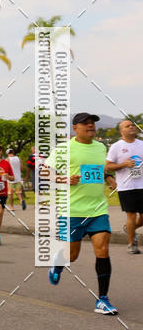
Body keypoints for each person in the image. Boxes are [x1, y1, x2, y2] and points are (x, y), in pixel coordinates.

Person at [46, 113, 118, 314]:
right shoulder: (64, 149)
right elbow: (45, 171)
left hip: (98, 209)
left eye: (93, 122)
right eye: (86, 123)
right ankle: (58, 264)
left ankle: (102, 299)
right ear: (75, 128)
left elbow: (98, 169)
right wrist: (63, 179)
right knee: (72, 255)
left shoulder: (100, 147)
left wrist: (109, 178)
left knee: (102, 249)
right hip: (71, 211)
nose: (91, 125)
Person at [106, 119, 143, 254]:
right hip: (126, 186)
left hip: (142, 185)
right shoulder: (116, 146)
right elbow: (107, 166)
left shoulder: (141, 144)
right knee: (131, 215)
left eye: (132, 125)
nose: (131, 127)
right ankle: (131, 244)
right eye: (128, 126)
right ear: (122, 131)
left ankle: (130, 229)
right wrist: (124, 165)